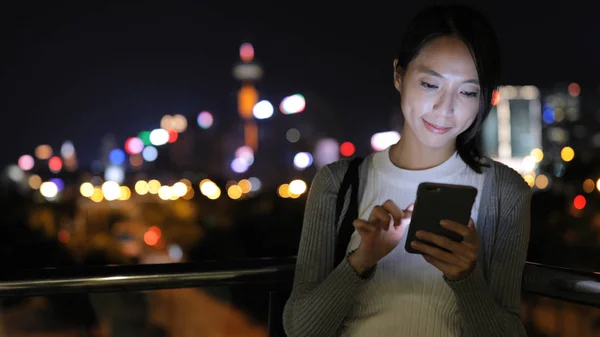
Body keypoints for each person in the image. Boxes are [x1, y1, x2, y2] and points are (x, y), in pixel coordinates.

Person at [283, 4, 531, 337]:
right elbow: (300, 329)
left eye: (468, 91)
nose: (446, 108)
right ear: (399, 75)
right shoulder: (338, 182)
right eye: (431, 85)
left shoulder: (505, 192)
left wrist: (465, 278)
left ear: (485, 97)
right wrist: (362, 259)